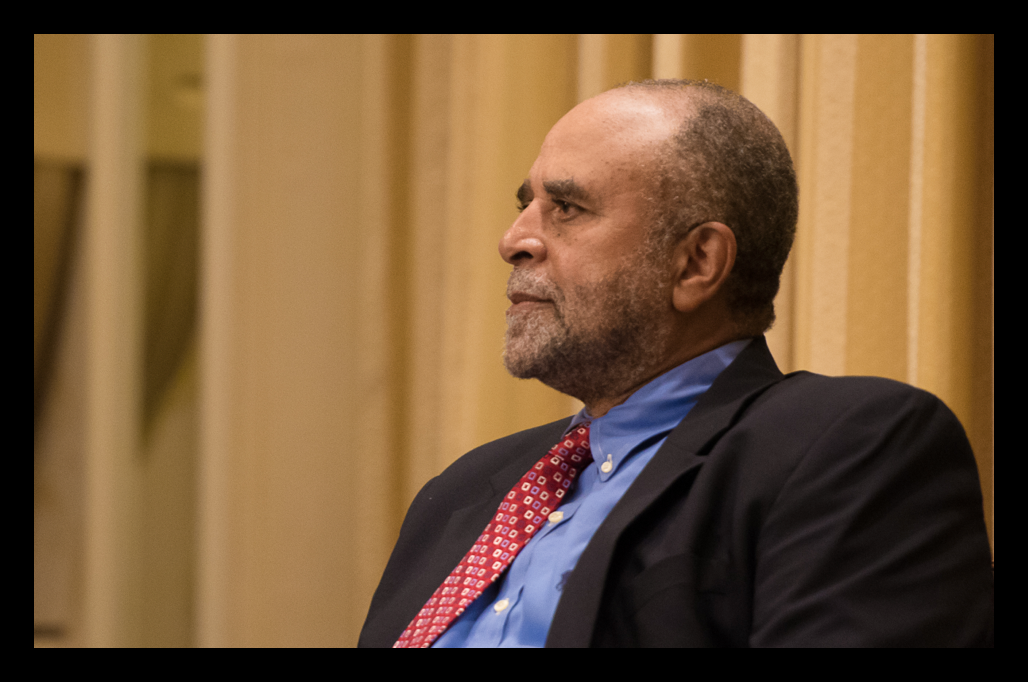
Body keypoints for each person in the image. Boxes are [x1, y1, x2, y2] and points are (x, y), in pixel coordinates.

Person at [358, 79, 994, 647]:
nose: (514, 241)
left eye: (567, 209)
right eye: (525, 205)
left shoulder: (847, 447)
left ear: (696, 263)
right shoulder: (462, 491)